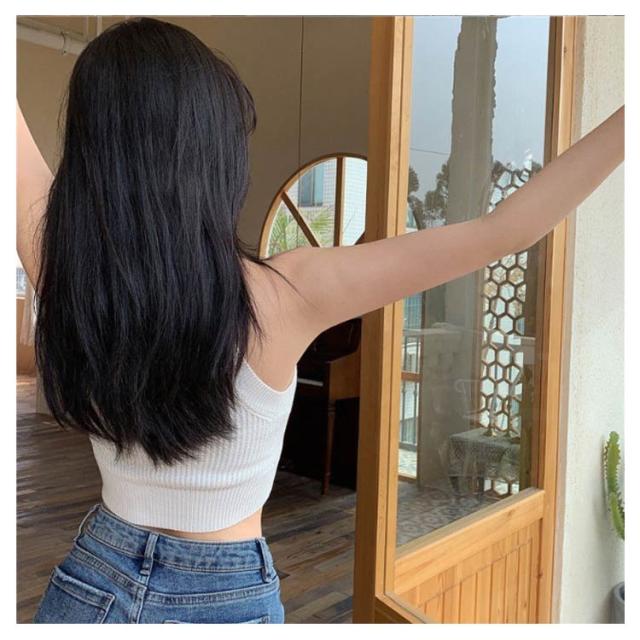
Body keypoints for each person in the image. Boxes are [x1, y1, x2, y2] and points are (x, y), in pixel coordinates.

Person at [17, 17, 624, 625]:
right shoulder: (283, 294)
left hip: (90, 580)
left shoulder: (62, 266)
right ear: (208, 154)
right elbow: (504, 231)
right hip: (222, 598)